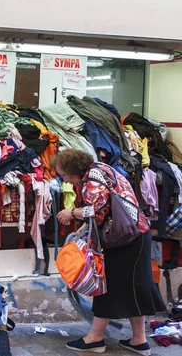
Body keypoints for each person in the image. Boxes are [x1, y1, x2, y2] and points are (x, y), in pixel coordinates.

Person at [54, 149, 165, 355]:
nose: (65, 180)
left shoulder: (92, 180)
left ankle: (95, 339)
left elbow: (96, 211)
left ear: (73, 171)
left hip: (126, 239)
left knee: (107, 288)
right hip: (135, 235)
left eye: (64, 175)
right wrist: (83, 228)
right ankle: (139, 340)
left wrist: (72, 213)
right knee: (135, 288)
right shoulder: (101, 169)